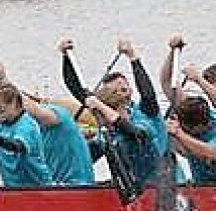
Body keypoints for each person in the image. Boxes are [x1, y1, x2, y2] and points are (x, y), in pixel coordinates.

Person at [61, 37, 167, 183]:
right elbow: (77, 89)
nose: (99, 121)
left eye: (123, 87)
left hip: (162, 186)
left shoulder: (145, 117)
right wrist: (66, 57)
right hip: (132, 185)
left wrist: (133, 57)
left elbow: (134, 129)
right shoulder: (106, 135)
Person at [0, 60, 95, 186]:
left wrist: (4, 80)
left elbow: (35, 110)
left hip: (78, 186)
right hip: (52, 187)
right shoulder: (24, 126)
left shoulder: (58, 116)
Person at [0, 83, 52, 187]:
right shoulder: (3, 119)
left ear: (13, 104)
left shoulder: (27, 125)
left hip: (37, 188)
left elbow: (15, 147)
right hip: (12, 187)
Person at [167, 94, 216, 184]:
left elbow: (210, 153)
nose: (187, 132)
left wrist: (179, 133)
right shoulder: (191, 114)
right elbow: (184, 152)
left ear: (201, 126)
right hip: (201, 183)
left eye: (188, 129)